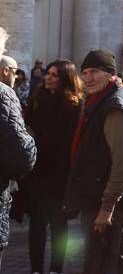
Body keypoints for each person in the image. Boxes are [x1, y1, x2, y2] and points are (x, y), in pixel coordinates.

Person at [63, 49, 123, 273]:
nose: (87, 78)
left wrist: (107, 208)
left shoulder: (115, 105)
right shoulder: (110, 99)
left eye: (94, 72)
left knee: (106, 264)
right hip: (101, 198)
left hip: (105, 204)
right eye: (84, 73)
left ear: (110, 74)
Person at [25, 60, 83, 274]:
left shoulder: (74, 104)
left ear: (65, 79)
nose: (48, 78)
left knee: (58, 224)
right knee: (36, 223)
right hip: (37, 171)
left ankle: (55, 269)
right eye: (48, 73)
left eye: (54, 75)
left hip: (59, 172)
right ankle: (36, 269)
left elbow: (67, 138)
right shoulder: (37, 97)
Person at [0, 45, 37, 269]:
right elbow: (22, 154)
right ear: (5, 71)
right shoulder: (4, 94)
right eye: (15, 71)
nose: (17, 76)